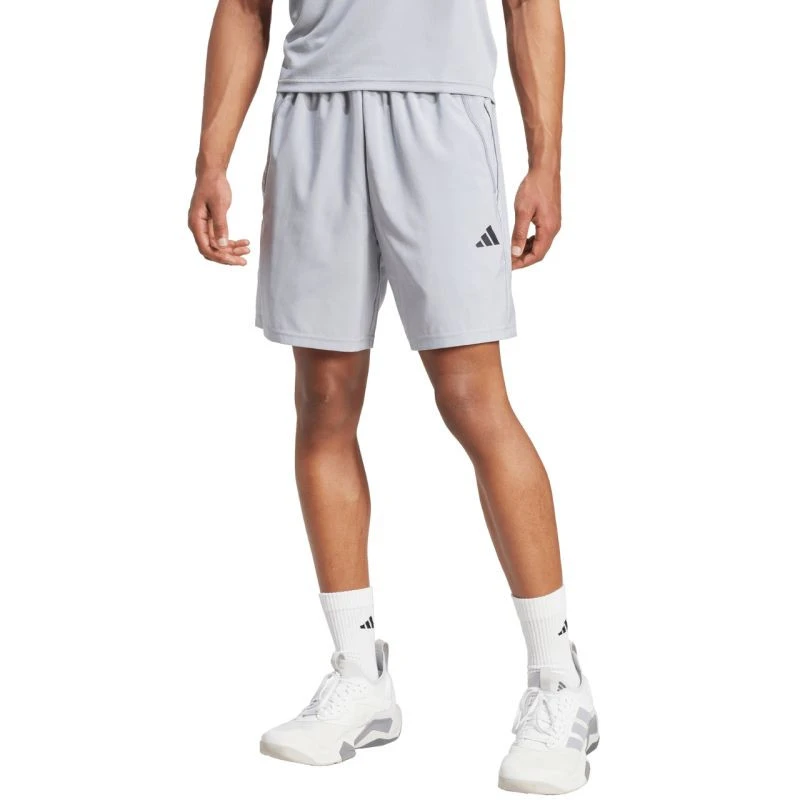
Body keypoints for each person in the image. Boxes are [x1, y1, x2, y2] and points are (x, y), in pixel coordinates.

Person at [188, 0, 598, 793]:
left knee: (472, 398)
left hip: (441, 114)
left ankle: (559, 681)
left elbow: (528, 6)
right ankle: (359, 673)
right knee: (324, 398)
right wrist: (212, 157)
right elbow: (244, 7)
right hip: (315, 114)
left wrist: (545, 162)